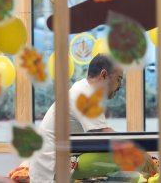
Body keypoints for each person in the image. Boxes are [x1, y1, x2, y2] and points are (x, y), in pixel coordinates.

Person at [29, 54, 123, 182]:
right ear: (104, 75)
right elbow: (103, 136)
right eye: (118, 79)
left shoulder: (83, 88)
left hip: (57, 164)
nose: (120, 86)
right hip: (50, 173)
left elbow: (101, 133)